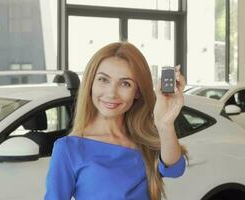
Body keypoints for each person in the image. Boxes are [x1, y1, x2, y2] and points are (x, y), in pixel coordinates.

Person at [45, 42, 188, 200]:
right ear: (90, 83)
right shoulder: (69, 148)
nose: (112, 93)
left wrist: (165, 124)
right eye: (103, 80)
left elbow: (175, 170)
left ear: (137, 92)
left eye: (125, 83)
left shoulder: (144, 141)